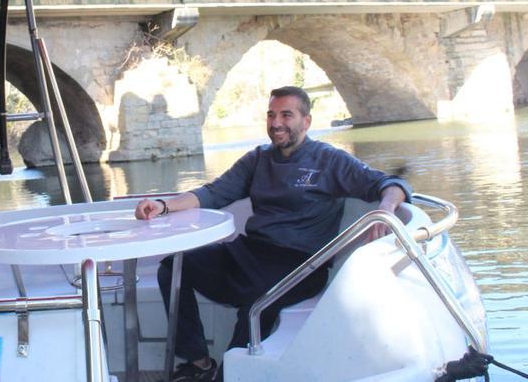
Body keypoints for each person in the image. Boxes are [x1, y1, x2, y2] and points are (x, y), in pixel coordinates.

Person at [135, 86, 411, 382]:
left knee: (257, 304)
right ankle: (199, 362)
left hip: (302, 264)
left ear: (306, 121)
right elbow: (213, 193)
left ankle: (230, 375)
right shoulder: (258, 159)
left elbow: (390, 184)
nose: (276, 123)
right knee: (173, 268)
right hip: (251, 252)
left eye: (286, 115)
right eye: (271, 115)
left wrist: (385, 208)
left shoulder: (329, 160)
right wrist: (163, 206)